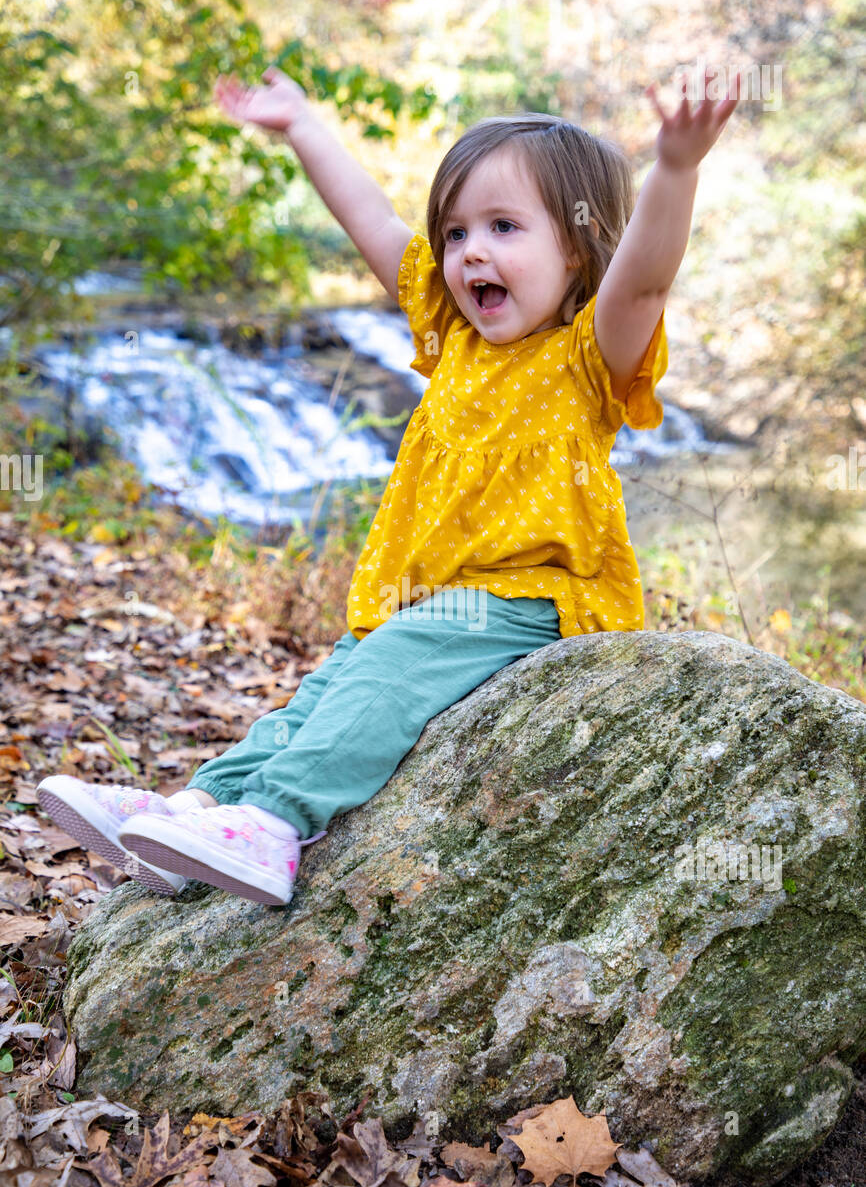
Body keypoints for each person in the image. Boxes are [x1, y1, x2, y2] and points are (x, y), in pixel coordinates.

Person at [37, 64, 740, 908]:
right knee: (314, 701)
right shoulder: (451, 336)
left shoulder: (589, 354)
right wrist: (301, 126)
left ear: (582, 247)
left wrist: (676, 167)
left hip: (526, 594)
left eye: (505, 226)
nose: (470, 251)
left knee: (376, 684)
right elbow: (369, 215)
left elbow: (648, 277)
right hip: (423, 600)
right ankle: (196, 808)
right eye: (456, 233)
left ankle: (272, 823)